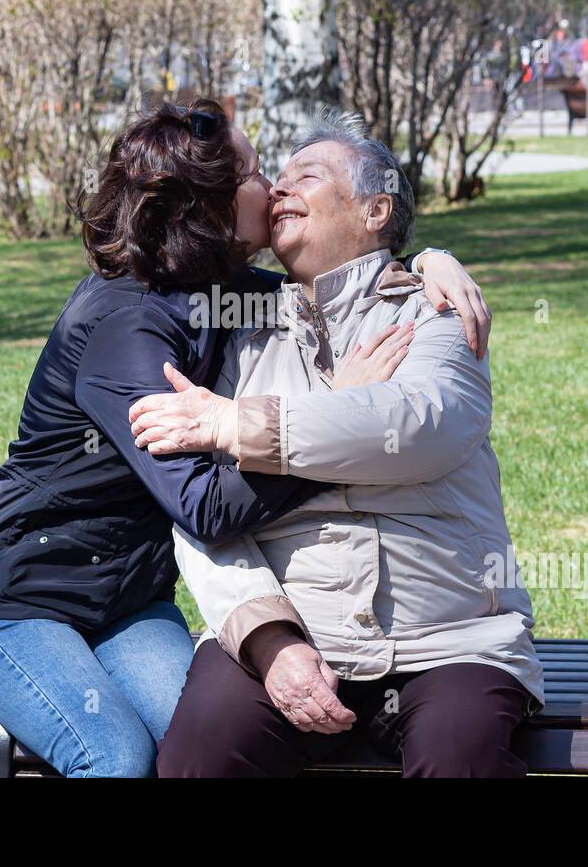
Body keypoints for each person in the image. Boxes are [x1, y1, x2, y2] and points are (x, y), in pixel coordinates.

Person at [0, 98, 491, 777]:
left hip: (129, 601)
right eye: (257, 172)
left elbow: (344, 280)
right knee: (115, 758)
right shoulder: (127, 325)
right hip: (24, 600)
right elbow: (204, 503)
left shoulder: (223, 288)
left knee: (202, 738)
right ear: (208, 205)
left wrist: (430, 259)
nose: (274, 187)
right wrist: (337, 416)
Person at [132, 110, 543, 778]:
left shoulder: (434, 311)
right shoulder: (240, 336)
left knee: (459, 761)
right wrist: (269, 641)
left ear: (376, 209)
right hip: (296, 625)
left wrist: (238, 425)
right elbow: (200, 512)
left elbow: (420, 424)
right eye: (277, 179)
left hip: (449, 636)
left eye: (309, 175)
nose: (279, 190)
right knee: (198, 758)